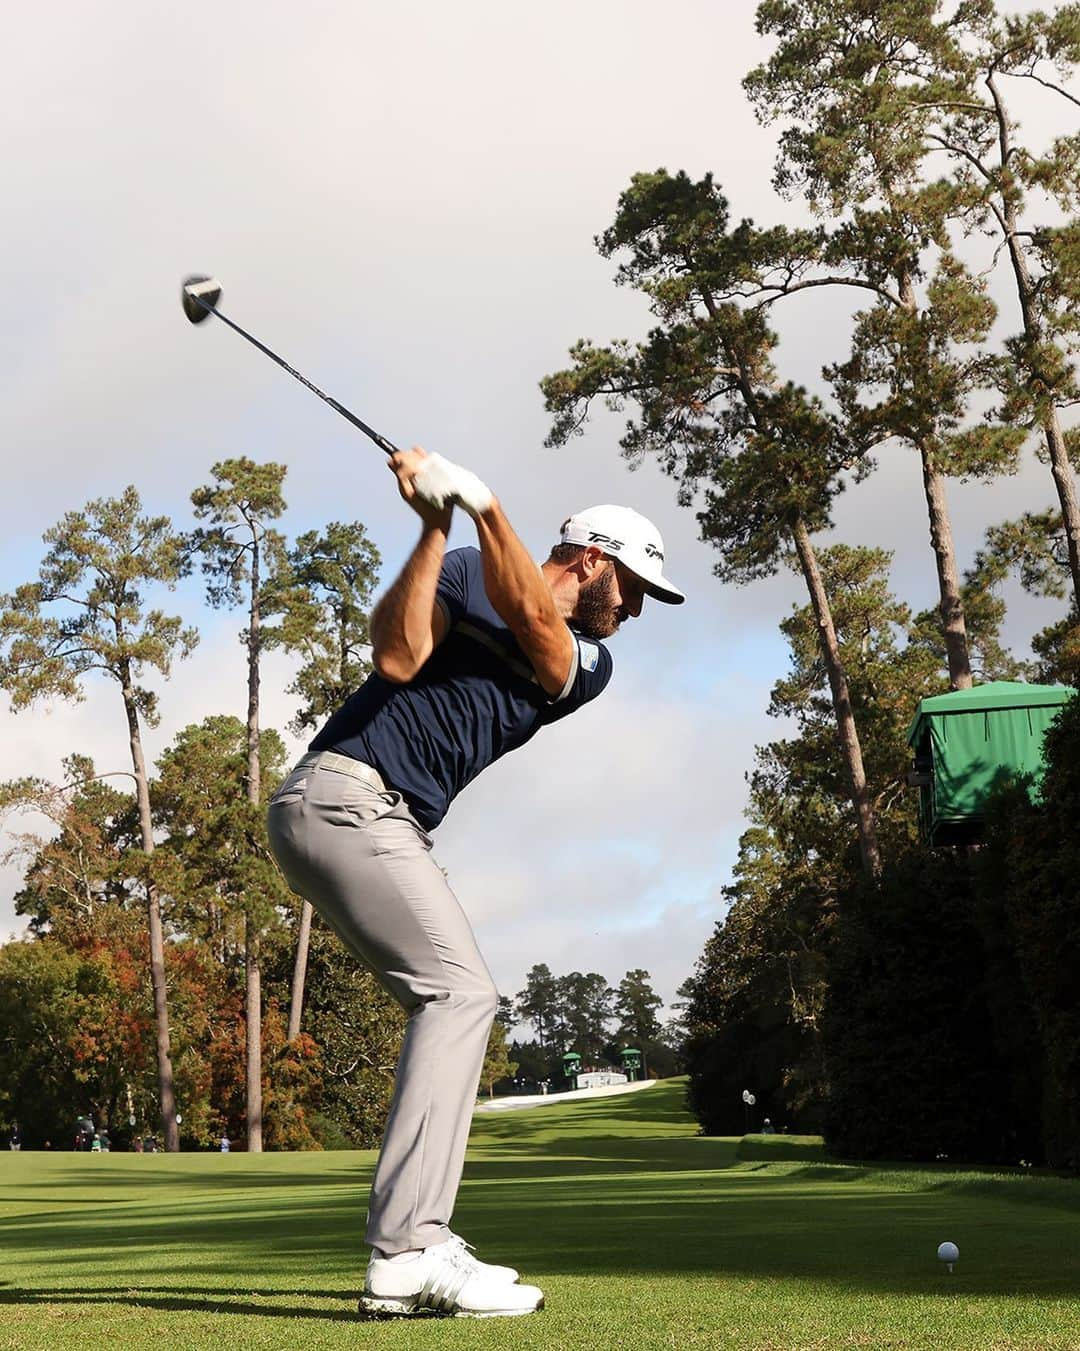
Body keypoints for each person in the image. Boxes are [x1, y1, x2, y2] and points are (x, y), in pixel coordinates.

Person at [267, 446, 684, 1319]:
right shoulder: (462, 569)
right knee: (460, 995)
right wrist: (434, 527)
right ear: (595, 560)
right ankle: (408, 1248)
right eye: (636, 589)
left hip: (362, 816)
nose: (636, 611)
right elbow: (396, 653)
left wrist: (485, 505)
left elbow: (539, 629)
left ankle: (418, 1241)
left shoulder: (587, 662)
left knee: (456, 995)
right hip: (343, 795)